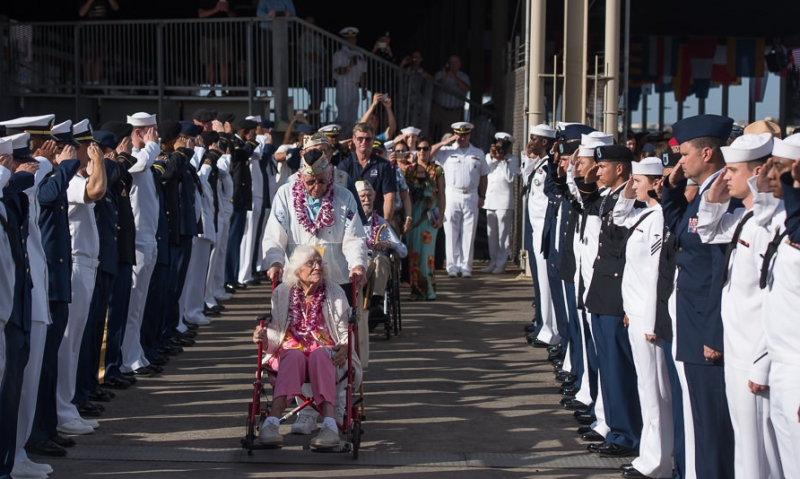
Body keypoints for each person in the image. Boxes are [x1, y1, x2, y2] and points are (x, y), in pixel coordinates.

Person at [696, 133, 783, 479]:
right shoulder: (745, 219)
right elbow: (706, 231)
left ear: (758, 171)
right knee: (747, 450)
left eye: (732, 170)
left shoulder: (771, 223)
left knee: (764, 452)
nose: (724, 176)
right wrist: (713, 200)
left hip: (756, 356)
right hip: (737, 351)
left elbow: (777, 301)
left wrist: (762, 361)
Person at [661, 114, 736, 479]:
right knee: (699, 422)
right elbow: (682, 233)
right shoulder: (703, 194)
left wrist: (712, 333)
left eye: (685, 154)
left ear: (707, 153)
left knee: (712, 428)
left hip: (706, 328)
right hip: (691, 323)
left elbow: (718, 273)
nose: (680, 162)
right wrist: (672, 191)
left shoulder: (722, 197)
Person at [253, 245, 362, 449]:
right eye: (310, 263)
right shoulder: (282, 293)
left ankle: (329, 427)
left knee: (320, 355)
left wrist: (346, 347)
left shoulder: (334, 291)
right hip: (290, 350)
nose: (317, 267)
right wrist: (264, 339)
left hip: (326, 349)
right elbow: (275, 334)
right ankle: (271, 424)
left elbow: (344, 330)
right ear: (296, 270)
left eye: (319, 263)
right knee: (292, 356)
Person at [612, 157, 674, 479]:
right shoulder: (642, 214)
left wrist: (650, 322)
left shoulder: (658, 218)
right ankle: (648, 457)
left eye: (637, 181)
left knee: (656, 395)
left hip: (648, 321)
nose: (631, 186)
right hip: (635, 314)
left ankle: (658, 463)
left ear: (653, 183)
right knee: (646, 390)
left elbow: (654, 274)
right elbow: (618, 216)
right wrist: (630, 186)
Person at [432, 122, 486, 278]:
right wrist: (444, 142)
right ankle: (452, 265)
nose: (461, 138)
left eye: (464, 135)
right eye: (458, 135)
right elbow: (429, 154)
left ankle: (466, 266)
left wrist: (482, 196)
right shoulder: (446, 151)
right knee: (451, 231)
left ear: (469, 135)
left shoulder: (477, 153)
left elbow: (483, 176)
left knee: (469, 231)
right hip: (451, 193)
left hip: (471, 193)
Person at [356, 180, 407, 315]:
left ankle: (375, 302)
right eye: (363, 196)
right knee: (366, 263)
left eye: (369, 195)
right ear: (356, 198)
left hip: (377, 265)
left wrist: (388, 244)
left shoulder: (381, 223)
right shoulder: (350, 222)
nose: (367, 200)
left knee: (382, 260)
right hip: (358, 265)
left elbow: (403, 251)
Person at [404, 136, 444, 301]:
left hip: (429, 218)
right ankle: (416, 291)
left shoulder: (437, 170)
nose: (422, 152)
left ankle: (429, 290)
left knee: (427, 255)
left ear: (430, 151)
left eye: (425, 148)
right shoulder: (409, 170)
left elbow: (441, 194)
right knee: (413, 254)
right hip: (413, 217)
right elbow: (404, 194)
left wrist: (441, 216)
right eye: (419, 149)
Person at [337, 123, 397, 220]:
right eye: (360, 138)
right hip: (350, 222)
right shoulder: (344, 166)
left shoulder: (384, 166)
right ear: (354, 139)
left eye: (368, 139)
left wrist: (385, 224)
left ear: (373, 140)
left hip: (376, 222)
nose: (364, 142)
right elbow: (339, 197)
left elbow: (389, 197)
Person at [481, 132, 518, 274]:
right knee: (492, 235)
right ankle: (493, 261)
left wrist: (502, 161)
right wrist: (493, 155)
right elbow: (486, 168)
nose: (501, 149)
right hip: (491, 200)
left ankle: (501, 263)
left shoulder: (511, 160)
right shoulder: (488, 158)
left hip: (504, 202)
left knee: (503, 234)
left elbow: (510, 178)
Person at [332, 27, 366, 136]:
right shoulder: (339, 54)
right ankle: (341, 138)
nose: (351, 41)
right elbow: (337, 70)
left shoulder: (360, 54)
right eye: (349, 39)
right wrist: (349, 67)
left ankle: (350, 138)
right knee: (344, 115)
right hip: (343, 85)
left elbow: (363, 73)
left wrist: (364, 89)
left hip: (355, 86)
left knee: (353, 115)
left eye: (353, 39)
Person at [430, 55, 470, 141]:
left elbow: (466, 89)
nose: (452, 64)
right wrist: (444, 78)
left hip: (453, 111)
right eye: (451, 62)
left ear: (459, 64)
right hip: (438, 108)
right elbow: (433, 87)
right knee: (431, 129)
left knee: (448, 135)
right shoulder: (440, 74)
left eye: (455, 62)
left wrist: (454, 77)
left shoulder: (463, 76)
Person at [198, 0, 232, 97]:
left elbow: (234, 15)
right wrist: (216, 9)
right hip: (207, 36)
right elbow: (201, 14)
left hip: (224, 35)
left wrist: (227, 10)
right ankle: (211, 90)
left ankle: (224, 90)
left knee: (224, 63)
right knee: (209, 64)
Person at [297, 17, 326, 126]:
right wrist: (325, 63)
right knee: (315, 99)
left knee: (318, 100)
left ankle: (314, 121)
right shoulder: (303, 38)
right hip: (309, 74)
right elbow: (310, 55)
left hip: (319, 74)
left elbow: (323, 53)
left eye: (313, 23)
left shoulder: (317, 38)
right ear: (304, 25)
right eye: (309, 23)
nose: (312, 25)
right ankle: (310, 123)